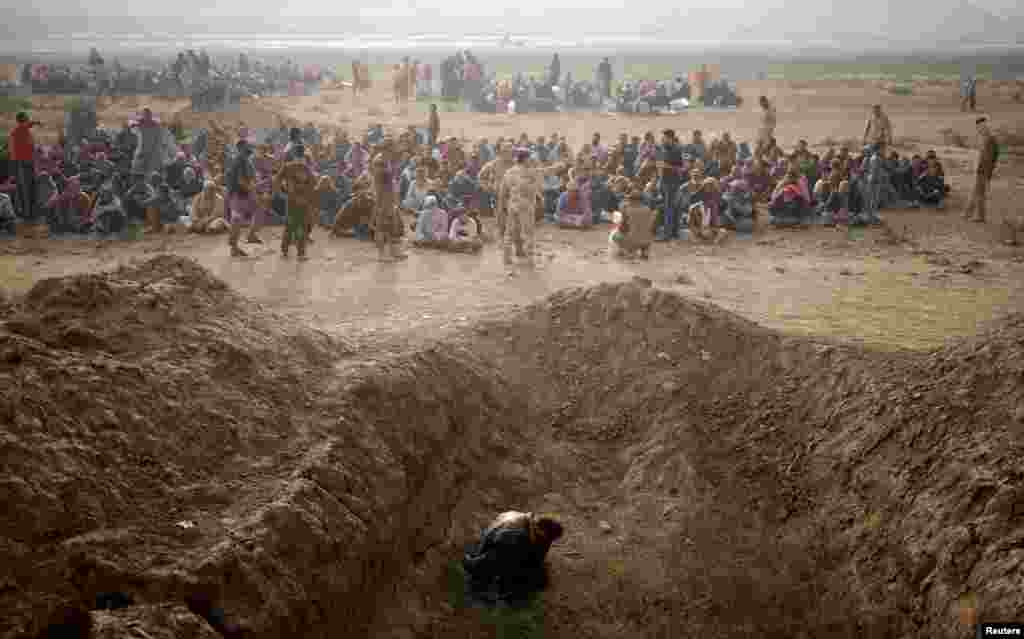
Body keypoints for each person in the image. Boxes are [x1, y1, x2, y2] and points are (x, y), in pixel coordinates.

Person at [463, 511, 564, 606]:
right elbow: (487, 560)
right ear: (541, 532)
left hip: (503, 545)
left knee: (538, 577)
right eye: (548, 539)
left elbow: (539, 555)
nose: (548, 542)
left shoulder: (530, 525)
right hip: (493, 551)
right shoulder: (513, 538)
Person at [274, 143, 318, 259]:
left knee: (289, 225)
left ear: (293, 154)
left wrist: (281, 192)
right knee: (301, 227)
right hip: (303, 201)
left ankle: (284, 251)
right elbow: (313, 184)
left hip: (290, 200)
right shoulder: (306, 168)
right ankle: (300, 254)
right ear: (304, 154)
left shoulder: (287, 166)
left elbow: (276, 180)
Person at [498, 147, 541, 267]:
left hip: (513, 205)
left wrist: (501, 207)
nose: (531, 160)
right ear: (525, 158)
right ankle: (529, 259)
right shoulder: (530, 172)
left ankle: (506, 258)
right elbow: (535, 188)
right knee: (528, 233)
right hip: (526, 205)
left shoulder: (509, 172)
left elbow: (503, 191)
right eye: (529, 158)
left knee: (509, 233)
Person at [371, 138, 408, 261]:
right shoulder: (380, 161)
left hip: (389, 198)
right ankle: (381, 254)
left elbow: (391, 181)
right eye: (392, 148)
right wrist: (381, 203)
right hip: (382, 199)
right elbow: (381, 183)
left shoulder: (386, 160)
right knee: (382, 227)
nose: (394, 150)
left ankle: (394, 251)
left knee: (392, 226)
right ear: (387, 148)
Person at [225, 139, 263, 256]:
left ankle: (251, 235)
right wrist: (251, 189)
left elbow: (249, 178)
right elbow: (241, 181)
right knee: (236, 219)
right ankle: (234, 248)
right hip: (238, 194)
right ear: (241, 148)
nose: (249, 148)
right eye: (247, 147)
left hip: (244, 193)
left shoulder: (245, 160)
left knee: (259, 209)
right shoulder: (239, 160)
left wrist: (254, 187)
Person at [962, 117, 999, 224]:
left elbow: (991, 158)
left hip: (984, 171)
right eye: (979, 128)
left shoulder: (990, 139)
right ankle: (969, 214)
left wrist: (988, 174)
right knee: (977, 193)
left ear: (986, 126)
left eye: (982, 127)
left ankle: (976, 216)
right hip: (980, 170)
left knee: (978, 194)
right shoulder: (985, 139)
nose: (981, 129)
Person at [9, 111, 42, 224]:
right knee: (24, 188)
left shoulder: (25, 128)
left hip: (29, 163)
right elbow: (13, 151)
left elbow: (30, 124)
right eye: (26, 119)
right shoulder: (16, 132)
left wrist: (36, 122)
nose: (28, 121)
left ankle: (32, 213)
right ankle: (26, 215)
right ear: (21, 121)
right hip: (21, 163)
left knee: (32, 186)